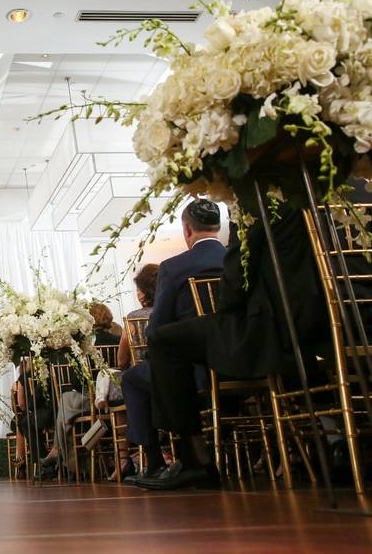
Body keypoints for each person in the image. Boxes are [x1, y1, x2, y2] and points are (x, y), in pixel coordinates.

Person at [139, 197, 344, 490]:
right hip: (336, 319)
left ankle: (195, 458)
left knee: (161, 340)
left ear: (187, 230)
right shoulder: (330, 198)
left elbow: (236, 284)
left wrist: (224, 304)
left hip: (273, 327)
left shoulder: (259, 201)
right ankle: (337, 438)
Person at [119, 199, 226, 487]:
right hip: (237, 357)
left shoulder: (175, 266)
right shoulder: (235, 258)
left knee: (132, 378)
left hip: (190, 368)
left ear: (187, 229)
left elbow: (158, 325)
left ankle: (154, 462)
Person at [39, 302, 121, 476]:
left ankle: (58, 451)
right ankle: (58, 450)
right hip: (116, 398)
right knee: (67, 402)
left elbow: (79, 381)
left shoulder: (86, 346)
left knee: (67, 398)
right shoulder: (118, 341)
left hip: (93, 399)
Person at [93, 264, 159, 480]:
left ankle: (125, 457)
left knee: (121, 389)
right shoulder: (169, 311)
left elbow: (122, 361)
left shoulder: (133, 319)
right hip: (175, 378)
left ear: (142, 293)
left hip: (143, 380)